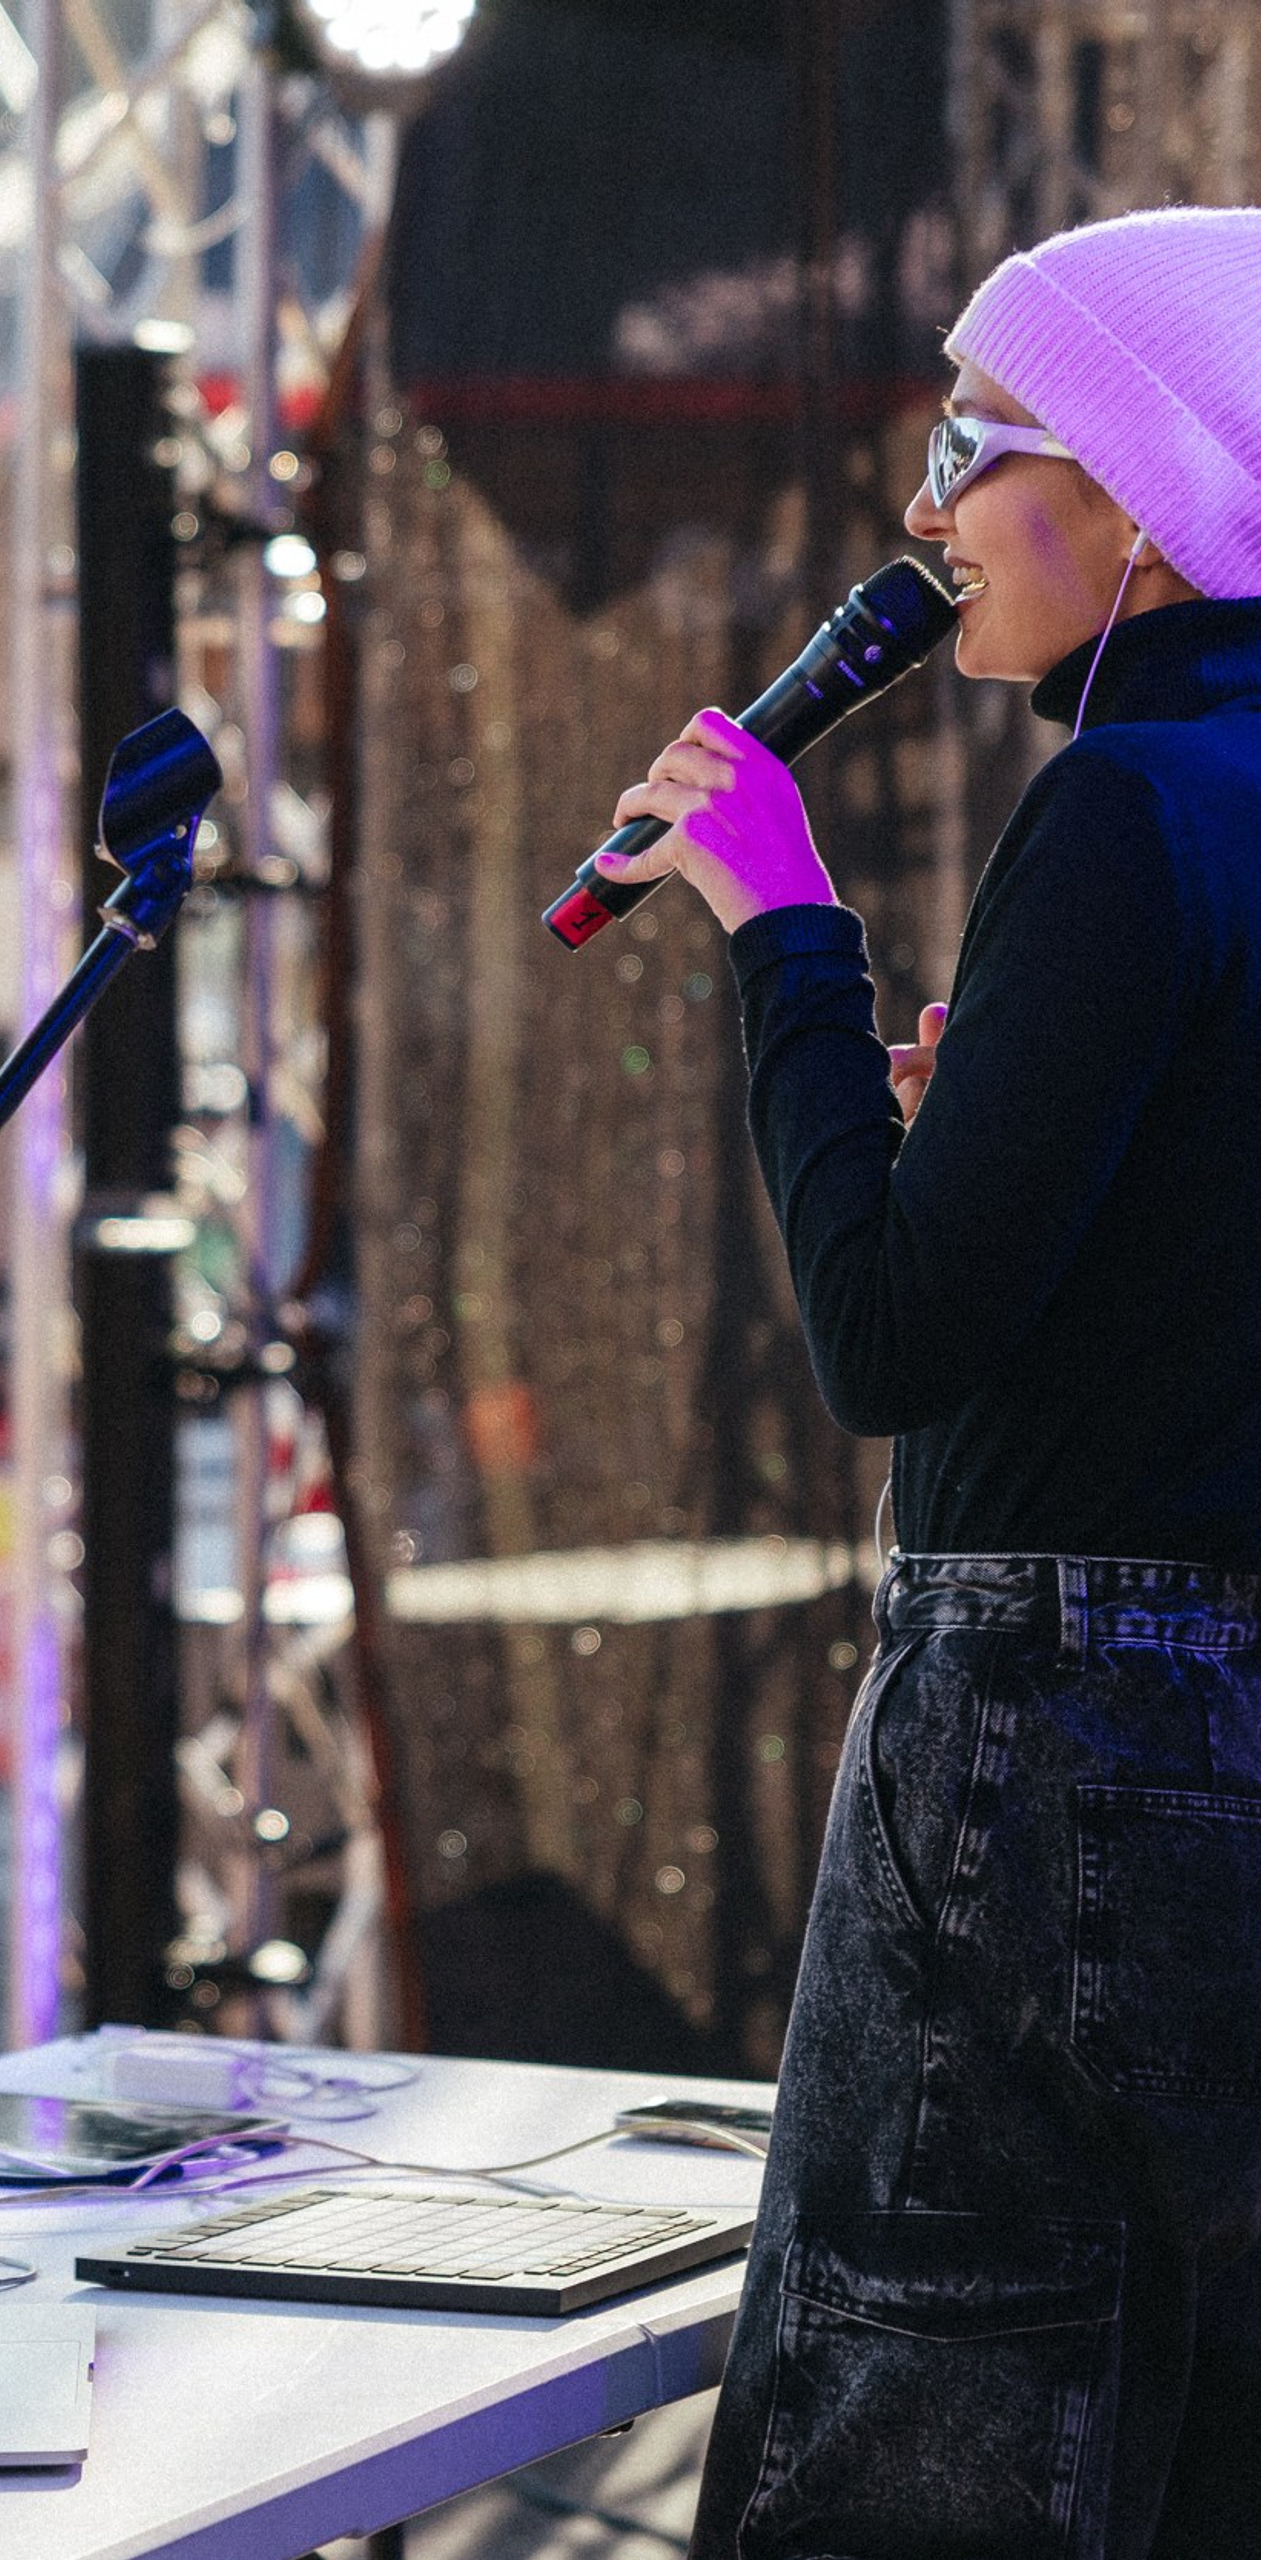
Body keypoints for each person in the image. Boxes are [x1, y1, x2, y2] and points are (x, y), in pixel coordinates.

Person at [594, 206, 1261, 2552]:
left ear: (1131, 492)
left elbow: (886, 1336)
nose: (916, 512)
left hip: (1060, 1706)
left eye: (968, 443)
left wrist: (775, 922)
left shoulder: (1119, 800)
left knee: (934, 2413)